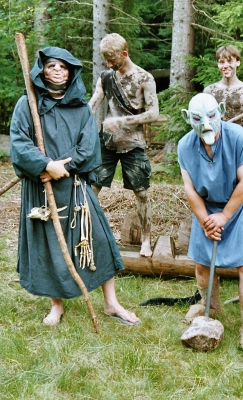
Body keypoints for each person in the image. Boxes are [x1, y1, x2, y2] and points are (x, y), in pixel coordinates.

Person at [10, 47, 139, 326]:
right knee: (49, 244)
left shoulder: (81, 108)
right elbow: (19, 143)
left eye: (63, 67)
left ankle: (111, 303)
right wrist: (45, 165)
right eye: (51, 66)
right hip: (41, 187)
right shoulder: (27, 105)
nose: (58, 70)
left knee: (99, 239)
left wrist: (63, 168)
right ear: (42, 71)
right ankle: (56, 305)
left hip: (75, 185)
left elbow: (88, 147)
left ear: (71, 73)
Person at [177, 93, 243, 353]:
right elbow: (190, 189)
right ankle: (212, 307)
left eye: (211, 116)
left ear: (220, 111)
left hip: (239, 205)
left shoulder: (238, 136)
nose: (206, 124)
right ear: (188, 118)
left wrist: (225, 216)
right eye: (198, 119)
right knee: (202, 263)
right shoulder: (185, 146)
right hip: (206, 208)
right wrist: (206, 220)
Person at [88, 33, 159, 257]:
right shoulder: (106, 77)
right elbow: (93, 103)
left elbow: (154, 114)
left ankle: (146, 240)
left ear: (124, 53)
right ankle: (86, 235)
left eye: (112, 60)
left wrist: (122, 121)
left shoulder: (144, 78)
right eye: (106, 60)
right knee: (92, 189)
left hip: (133, 144)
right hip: (107, 142)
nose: (109, 64)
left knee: (142, 193)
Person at [203, 45, 243, 138]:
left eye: (230, 61)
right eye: (221, 62)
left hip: (237, 141)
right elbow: (204, 122)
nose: (225, 66)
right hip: (215, 141)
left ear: (238, 62)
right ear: (218, 64)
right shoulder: (209, 91)